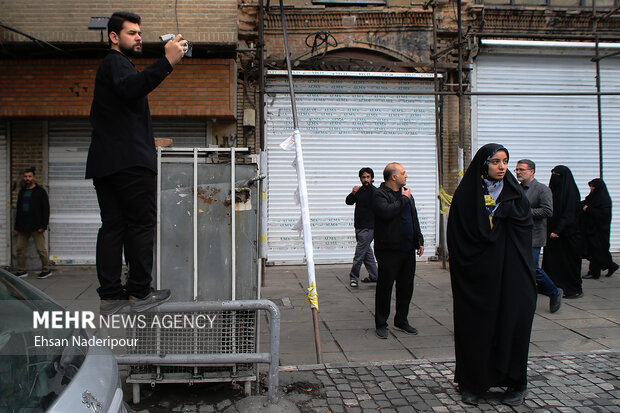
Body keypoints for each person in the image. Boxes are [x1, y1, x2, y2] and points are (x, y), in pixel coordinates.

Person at [87, 11, 187, 315]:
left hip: (109, 162)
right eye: (132, 33)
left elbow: (120, 110)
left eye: (140, 32)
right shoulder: (116, 63)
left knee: (114, 227)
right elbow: (134, 89)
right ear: (114, 37)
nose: (139, 37)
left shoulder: (114, 68)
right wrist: (168, 61)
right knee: (141, 225)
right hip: (129, 163)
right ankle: (140, 292)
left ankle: (111, 296)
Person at [447, 144, 536, 407]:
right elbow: (459, 236)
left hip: (511, 275)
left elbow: (524, 229)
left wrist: (503, 219)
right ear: (484, 164)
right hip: (478, 277)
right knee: (476, 328)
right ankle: (473, 383)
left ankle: (516, 382)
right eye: (496, 161)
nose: (502, 167)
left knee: (512, 325)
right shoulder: (467, 196)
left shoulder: (514, 195)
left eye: (505, 161)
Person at [372, 163, 424, 340]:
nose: (406, 176)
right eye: (403, 173)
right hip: (388, 250)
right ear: (393, 177)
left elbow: (413, 216)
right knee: (385, 287)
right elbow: (386, 213)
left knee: (406, 287)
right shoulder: (379, 194)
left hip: (407, 248)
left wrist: (419, 240)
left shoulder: (407, 193)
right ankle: (381, 323)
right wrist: (403, 199)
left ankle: (401, 320)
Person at [515, 159, 562, 313]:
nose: (518, 173)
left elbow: (548, 211)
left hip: (534, 235)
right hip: (517, 235)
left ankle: (554, 292)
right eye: (517, 170)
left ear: (532, 171)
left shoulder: (542, 189)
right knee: (519, 268)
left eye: (522, 169)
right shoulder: (516, 189)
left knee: (533, 268)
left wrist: (525, 213)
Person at [542, 165, 583, 299]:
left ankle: (573, 289)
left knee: (568, 263)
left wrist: (558, 230)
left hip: (568, 234)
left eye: (557, 174)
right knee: (552, 262)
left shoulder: (571, 193)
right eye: (552, 173)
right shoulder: (552, 191)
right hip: (552, 234)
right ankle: (550, 285)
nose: (554, 177)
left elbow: (569, 213)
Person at [13, 167, 52, 279]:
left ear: (34, 177)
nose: (27, 178)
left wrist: (43, 225)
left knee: (41, 249)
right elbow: (19, 210)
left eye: (29, 176)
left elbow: (46, 210)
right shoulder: (22, 192)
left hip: (37, 226)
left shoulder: (40, 192)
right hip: (23, 226)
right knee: (20, 249)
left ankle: (46, 269)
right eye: (25, 176)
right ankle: (22, 270)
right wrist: (16, 226)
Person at [345, 167, 378, 287]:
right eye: (363, 177)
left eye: (368, 177)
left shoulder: (375, 192)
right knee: (367, 253)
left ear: (372, 178)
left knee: (359, 254)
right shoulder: (359, 191)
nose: (366, 179)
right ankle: (375, 276)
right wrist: (353, 193)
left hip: (369, 228)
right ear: (360, 178)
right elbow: (348, 201)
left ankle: (354, 278)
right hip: (359, 226)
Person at [581, 178, 619, 279]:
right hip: (592, 229)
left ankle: (594, 272)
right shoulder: (593, 197)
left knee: (597, 251)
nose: (592, 188)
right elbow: (585, 203)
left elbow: (604, 215)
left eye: (593, 186)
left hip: (600, 230)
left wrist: (589, 209)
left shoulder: (604, 199)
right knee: (597, 251)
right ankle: (611, 266)